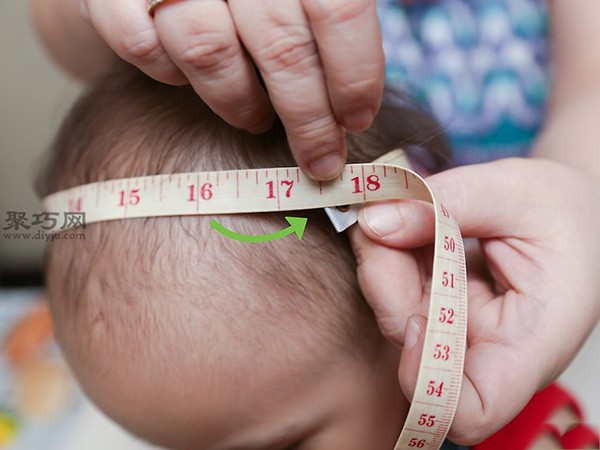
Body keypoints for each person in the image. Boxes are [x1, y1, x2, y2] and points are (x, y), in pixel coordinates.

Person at [31, 0, 600, 446]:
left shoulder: (530, 431)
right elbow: (67, 23)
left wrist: (578, 189)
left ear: (405, 302)